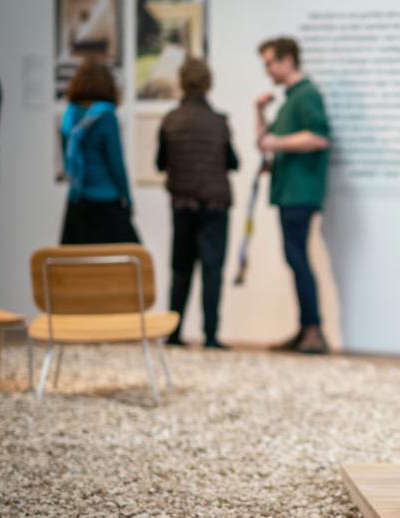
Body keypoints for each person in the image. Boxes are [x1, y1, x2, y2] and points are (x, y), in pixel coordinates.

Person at [255, 36, 331, 354]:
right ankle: (306, 329)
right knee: (295, 258)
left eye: (270, 62)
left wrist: (279, 145)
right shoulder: (290, 99)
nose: (267, 69)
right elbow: (265, 141)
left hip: (300, 193)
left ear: (288, 61)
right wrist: (257, 111)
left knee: (297, 258)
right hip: (289, 192)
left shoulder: (306, 95)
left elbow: (319, 137)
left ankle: (312, 331)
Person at [156, 58, 239, 350]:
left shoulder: (171, 120)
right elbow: (233, 162)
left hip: (183, 203)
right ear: (208, 83)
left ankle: (174, 332)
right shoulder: (219, 121)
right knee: (212, 270)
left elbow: (159, 162)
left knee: (180, 268)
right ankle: (211, 334)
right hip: (215, 204)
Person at [59, 58, 139, 244]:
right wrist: (127, 198)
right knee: (130, 264)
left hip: (77, 203)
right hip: (107, 205)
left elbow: (68, 161)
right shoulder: (106, 116)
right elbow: (116, 163)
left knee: (79, 268)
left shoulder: (69, 116)